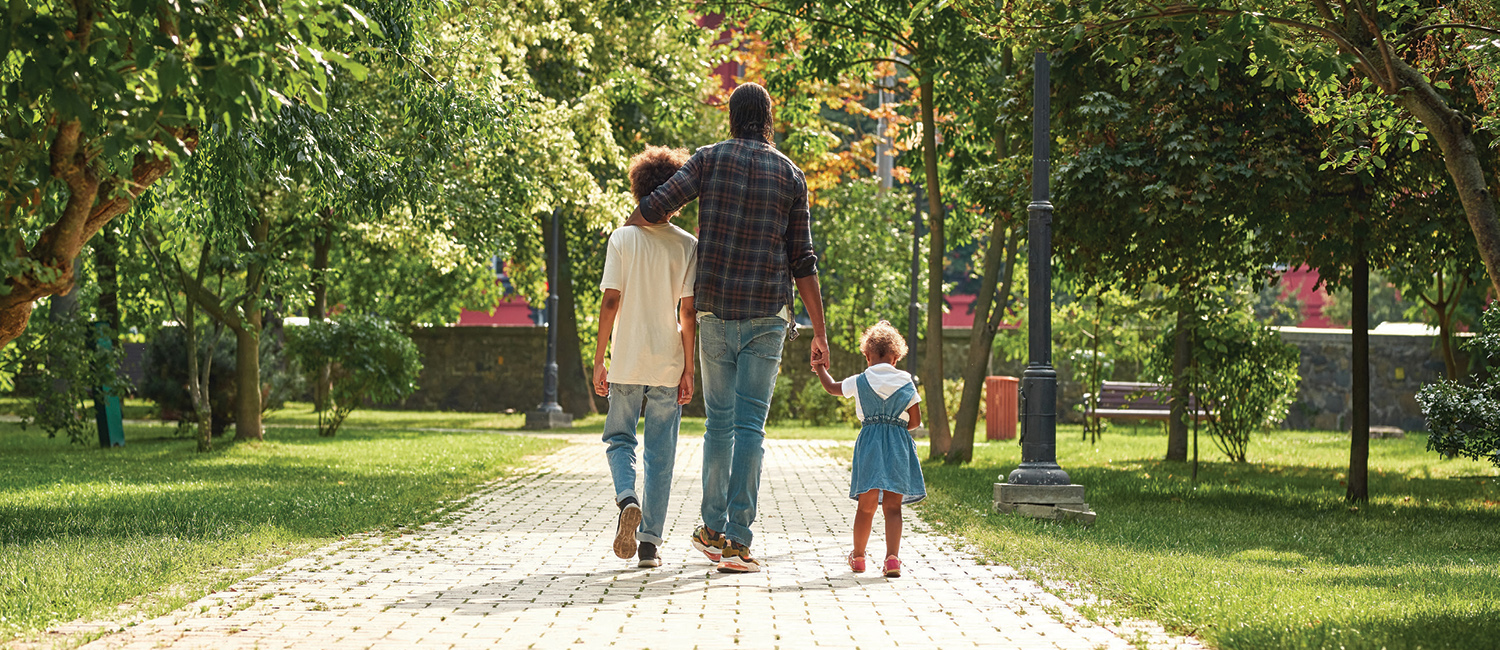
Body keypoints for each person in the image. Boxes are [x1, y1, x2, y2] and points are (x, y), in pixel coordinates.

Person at [625, 82, 829, 573]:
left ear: (732, 117)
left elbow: (657, 204)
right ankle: (737, 541)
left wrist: (628, 234)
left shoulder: (708, 159)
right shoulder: (791, 174)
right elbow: (802, 260)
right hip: (767, 316)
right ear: (768, 118)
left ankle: (712, 530)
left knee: (719, 423)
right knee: (750, 426)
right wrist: (819, 331)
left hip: (714, 312)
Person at [594, 145, 698, 568]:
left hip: (627, 357)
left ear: (639, 188)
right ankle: (650, 545)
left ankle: (627, 500)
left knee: (619, 438)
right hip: (668, 361)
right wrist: (689, 368)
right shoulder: (688, 245)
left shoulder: (622, 239)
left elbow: (610, 302)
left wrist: (599, 358)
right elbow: (688, 313)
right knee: (661, 454)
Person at [812, 321, 924, 578]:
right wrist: (897, 428)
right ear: (895, 358)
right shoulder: (906, 382)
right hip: (898, 445)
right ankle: (892, 560)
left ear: (867, 356)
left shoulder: (860, 380)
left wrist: (819, 367)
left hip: (870, 444)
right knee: (893, 507)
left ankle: (859, 557)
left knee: (866, 506)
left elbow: (831, 387)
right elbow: (916, 421)